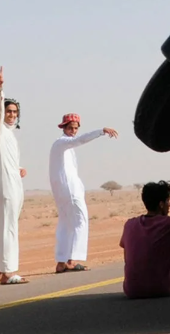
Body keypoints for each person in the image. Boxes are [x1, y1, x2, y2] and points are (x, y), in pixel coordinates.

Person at [49, 114, 118, 273]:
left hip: (65, 189)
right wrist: (101, 131)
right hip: (68, 190)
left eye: (75, 128)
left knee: (66, 223)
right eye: (70, 128)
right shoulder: (62, 142)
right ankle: (72, 260)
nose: (73, 131)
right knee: (80, 220)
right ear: (64, 128)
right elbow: (79, 140)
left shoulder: (65, 147)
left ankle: (61, 262)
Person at [0, 67, 28, 285]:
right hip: (5, 185)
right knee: (8, 227)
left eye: (14, 112)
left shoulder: (9, 135)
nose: (11, 115)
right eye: (8, 111)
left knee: (5, 225)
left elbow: (5, 158)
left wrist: (18, 168)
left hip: (11, 182)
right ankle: (8, 271)